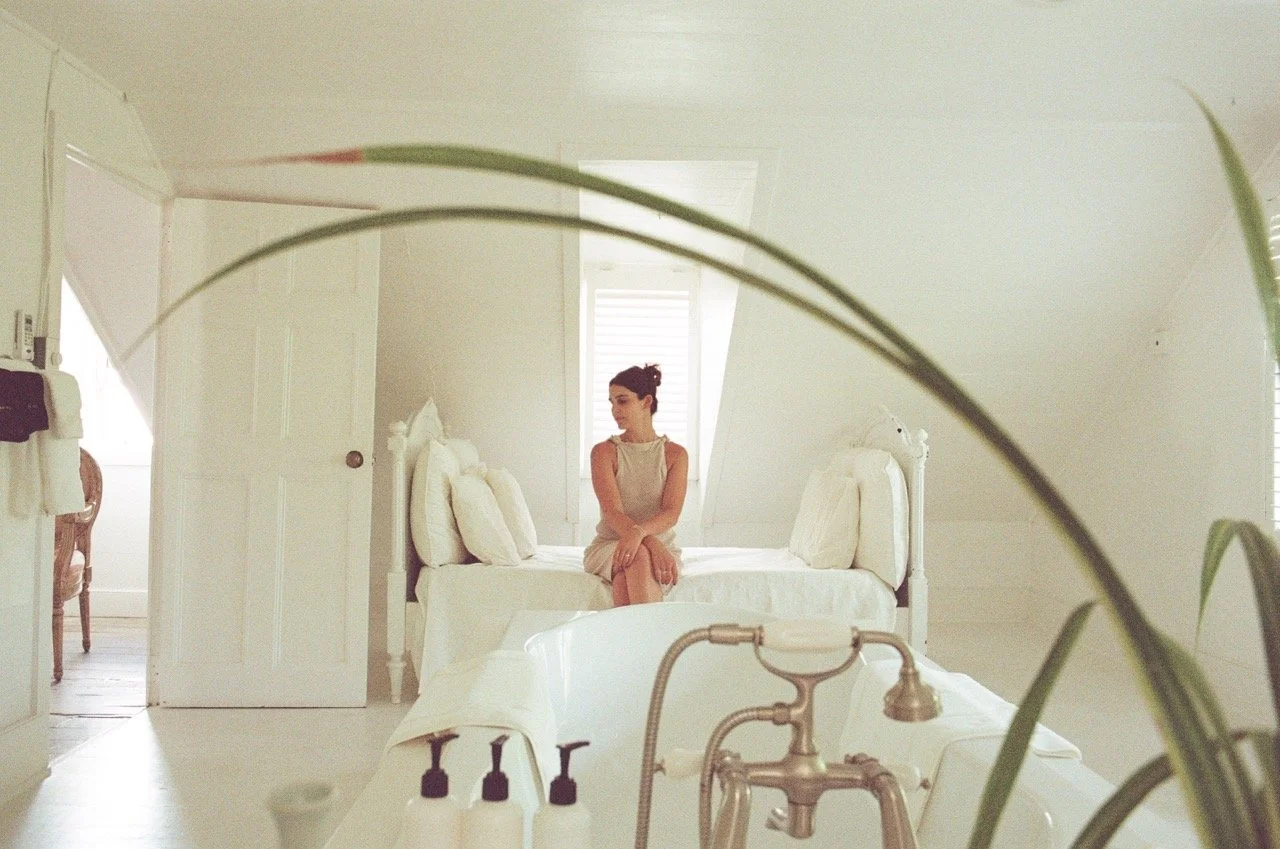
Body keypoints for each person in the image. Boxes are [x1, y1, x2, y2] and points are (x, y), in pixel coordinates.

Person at [584, 363, 689, 605]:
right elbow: (612, 512)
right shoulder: (604, 452)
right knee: (639, 555)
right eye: (611, 402)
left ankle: (632, 631)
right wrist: (647, 541)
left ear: (646, 401)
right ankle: (655, 630)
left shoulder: (675, 454)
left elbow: (671, 513)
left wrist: (642, 537)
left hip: (662, 547)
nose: (614, 410)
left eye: (622, 401)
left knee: (624, 580)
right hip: (611, 545)